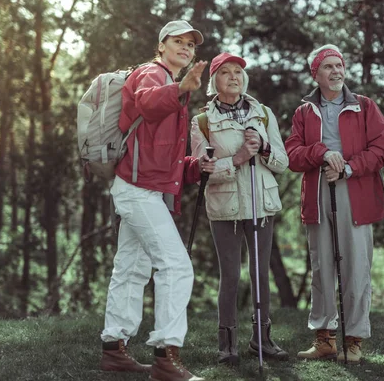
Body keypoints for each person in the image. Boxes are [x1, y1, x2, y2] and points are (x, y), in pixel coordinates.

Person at [99, 20, 215, 381]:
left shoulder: (172, 83)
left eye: (190, 45)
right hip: (137, 190)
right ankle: (166, 357)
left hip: (143, 186)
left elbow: (160, 154)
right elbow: (148, 106)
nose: (185, 48)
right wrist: (181, 87)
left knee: (131, 268)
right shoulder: (152, 74)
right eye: (177, 41)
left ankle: (113, 349)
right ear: (161, 46)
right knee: (177, 267)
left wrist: (194, 167)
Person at [285, 44, 384, 363]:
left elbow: (383, 150)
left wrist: (347, 167)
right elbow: (292, 155)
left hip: (355, 191)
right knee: (322, 268)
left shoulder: (365, 106)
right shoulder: (304, 112)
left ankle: (354, 340)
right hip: (317, 192)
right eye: (328, 67)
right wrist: (320, 153)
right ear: (315, 74)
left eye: (339, 65)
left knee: (356, 269)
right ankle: (325, 338)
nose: (336, 71)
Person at [190, 52, 289, 365]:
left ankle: (262, 340)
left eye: (237, 72)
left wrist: (264, 147)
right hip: (226, 207)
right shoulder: (202, 121)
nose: (233, 77)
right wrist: (237, 159)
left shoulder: (263, 114)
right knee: (230, 275)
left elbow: (283, 163)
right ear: (214, 80)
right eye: (225, 72)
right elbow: (201, 169)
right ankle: (227, 344)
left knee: (260, 274)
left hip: (261, 204)